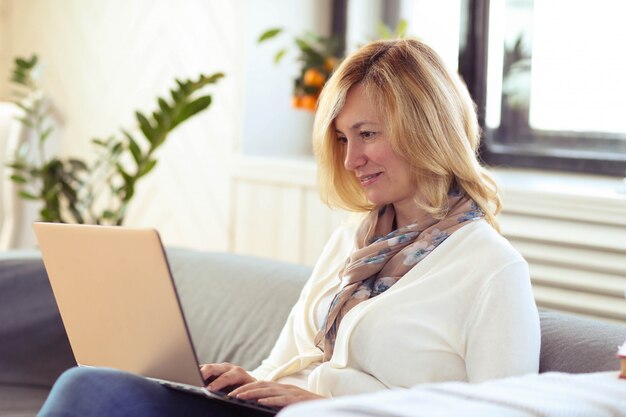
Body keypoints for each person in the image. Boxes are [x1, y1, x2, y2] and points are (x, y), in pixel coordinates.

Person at [38, 38, 540, 417]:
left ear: (425, 129)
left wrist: (319, 404)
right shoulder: (354, 240)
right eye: (343, 138)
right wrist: (245, 381)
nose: (351, 159)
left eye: (366, 135)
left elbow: (504, 414)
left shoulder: (491, 271)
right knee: (92, 384)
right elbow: (281, 361)